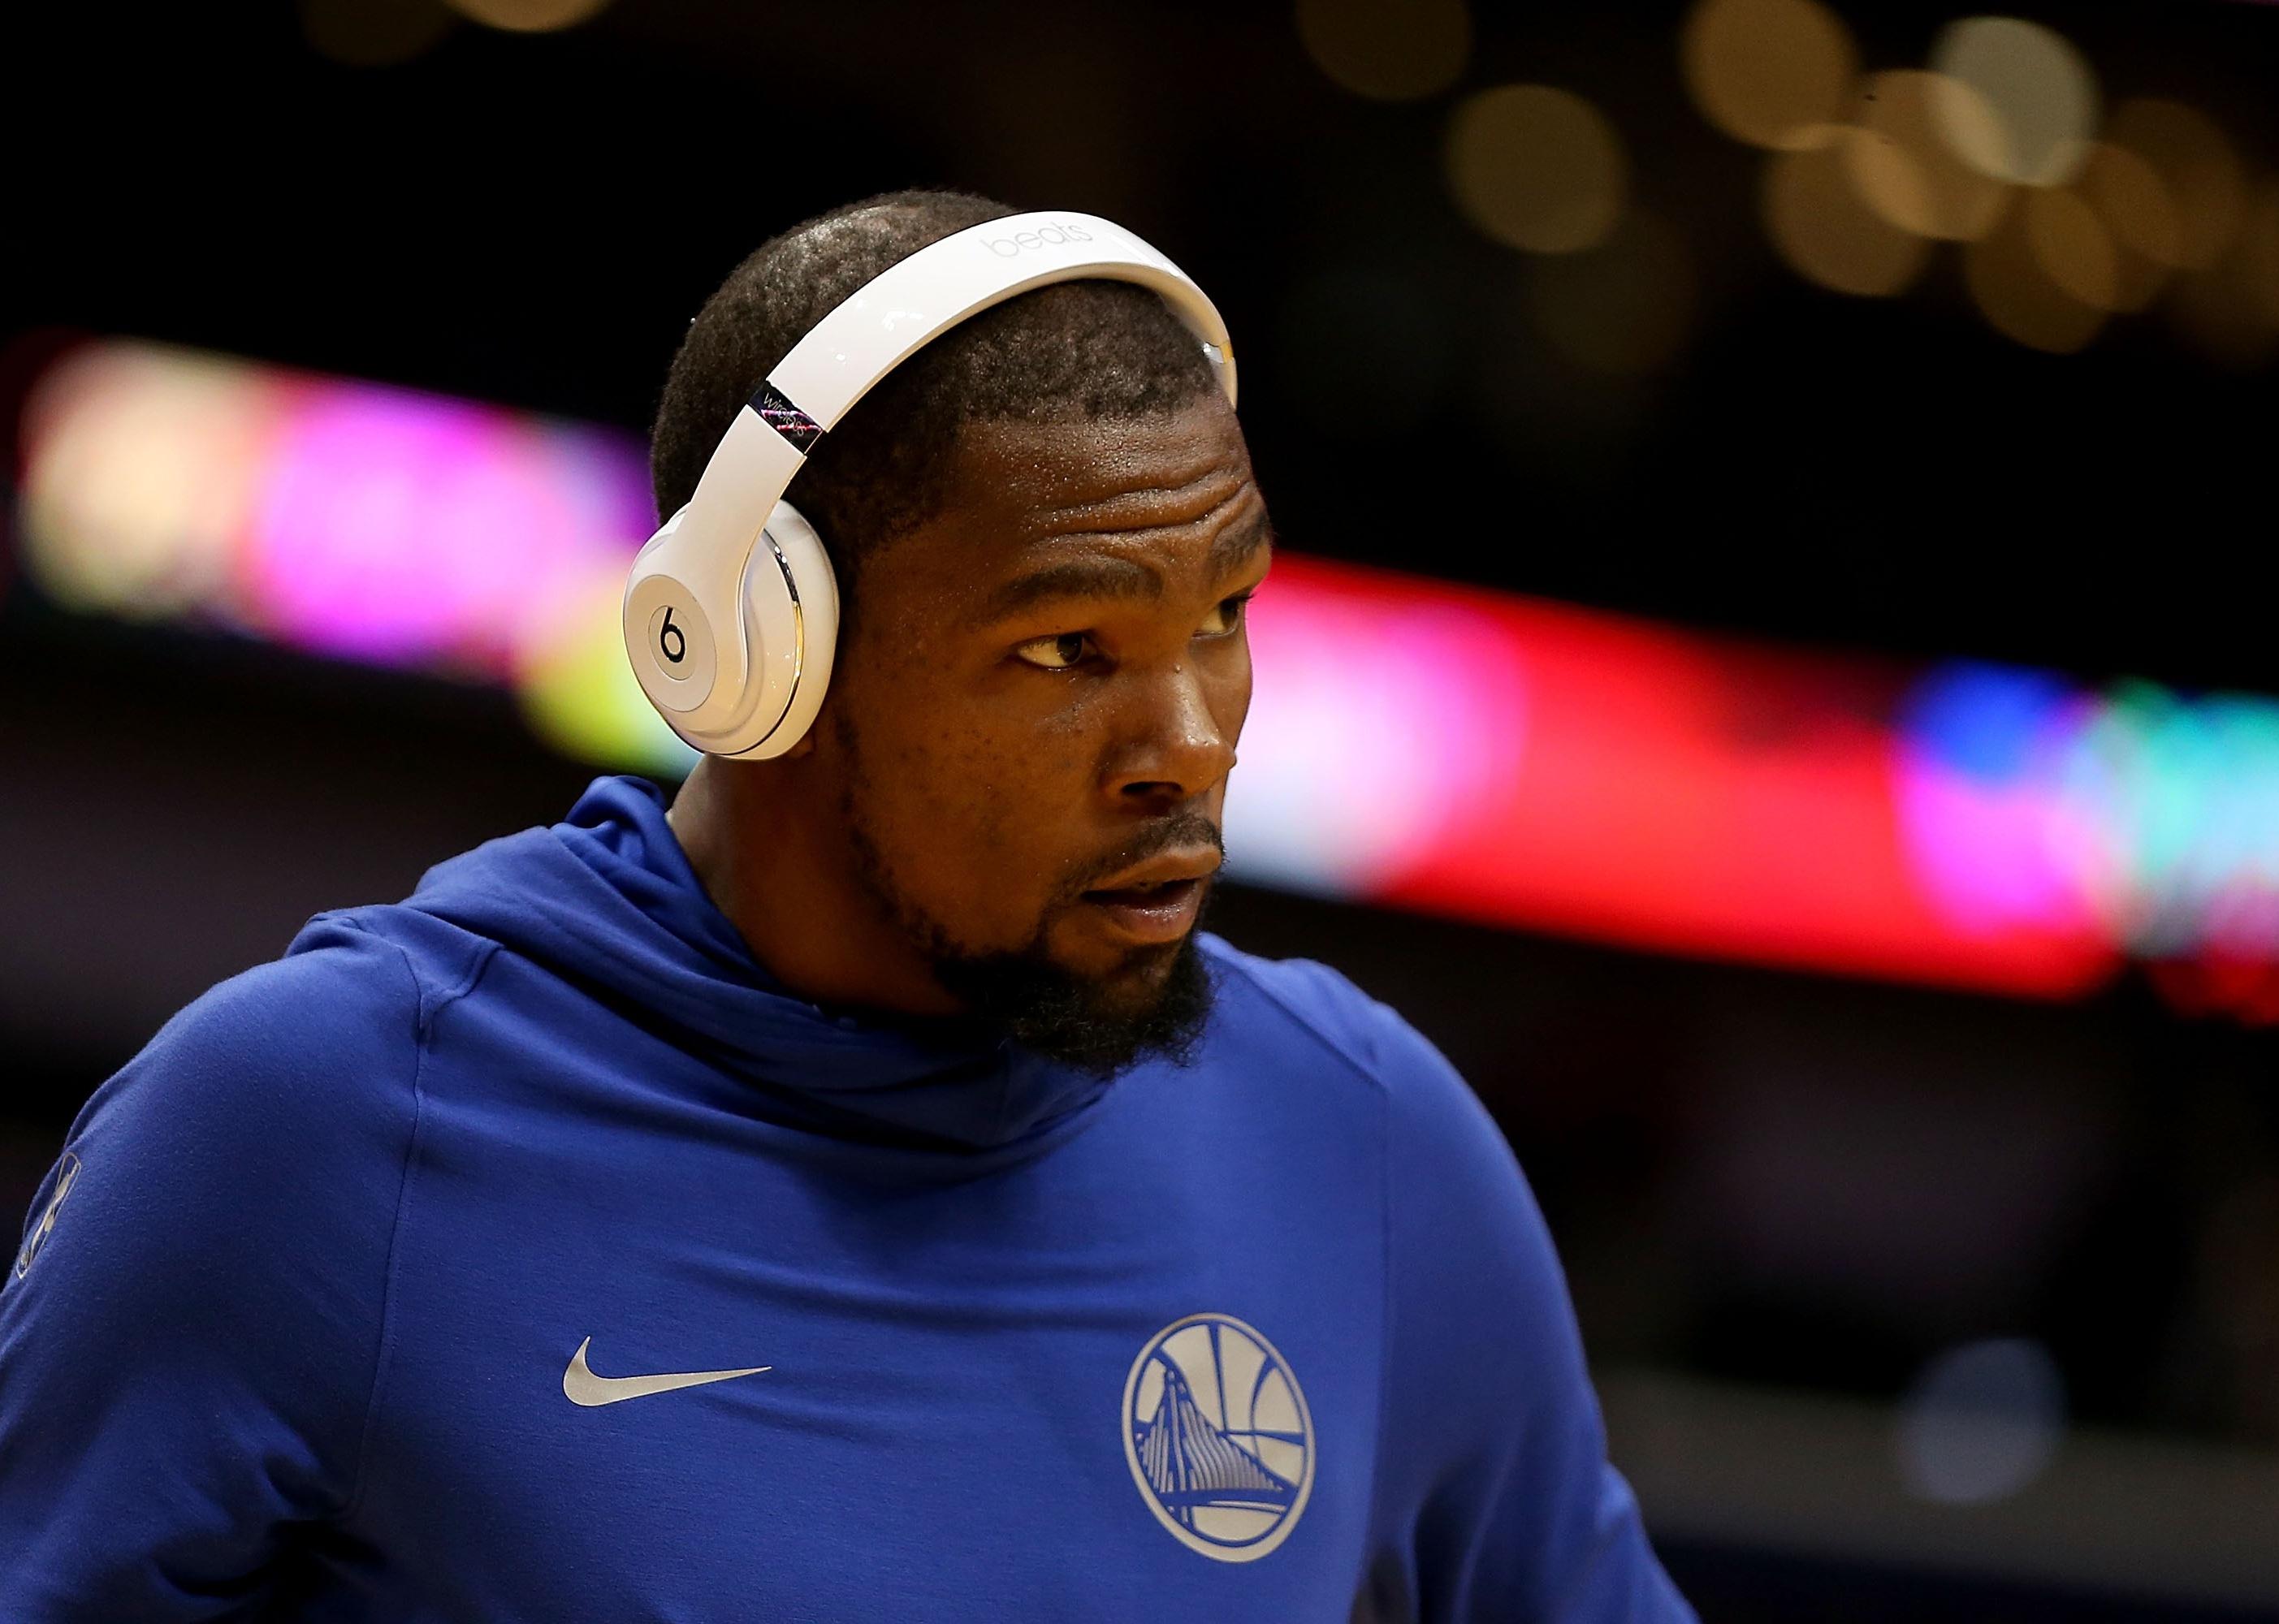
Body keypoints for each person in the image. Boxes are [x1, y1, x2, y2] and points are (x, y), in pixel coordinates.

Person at [0, 189, 1694, 1622]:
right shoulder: (313, 1130)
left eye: (1222, 613)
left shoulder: (1361, 1137)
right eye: (1064, 649)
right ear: (753, 658)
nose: (1184, 745)